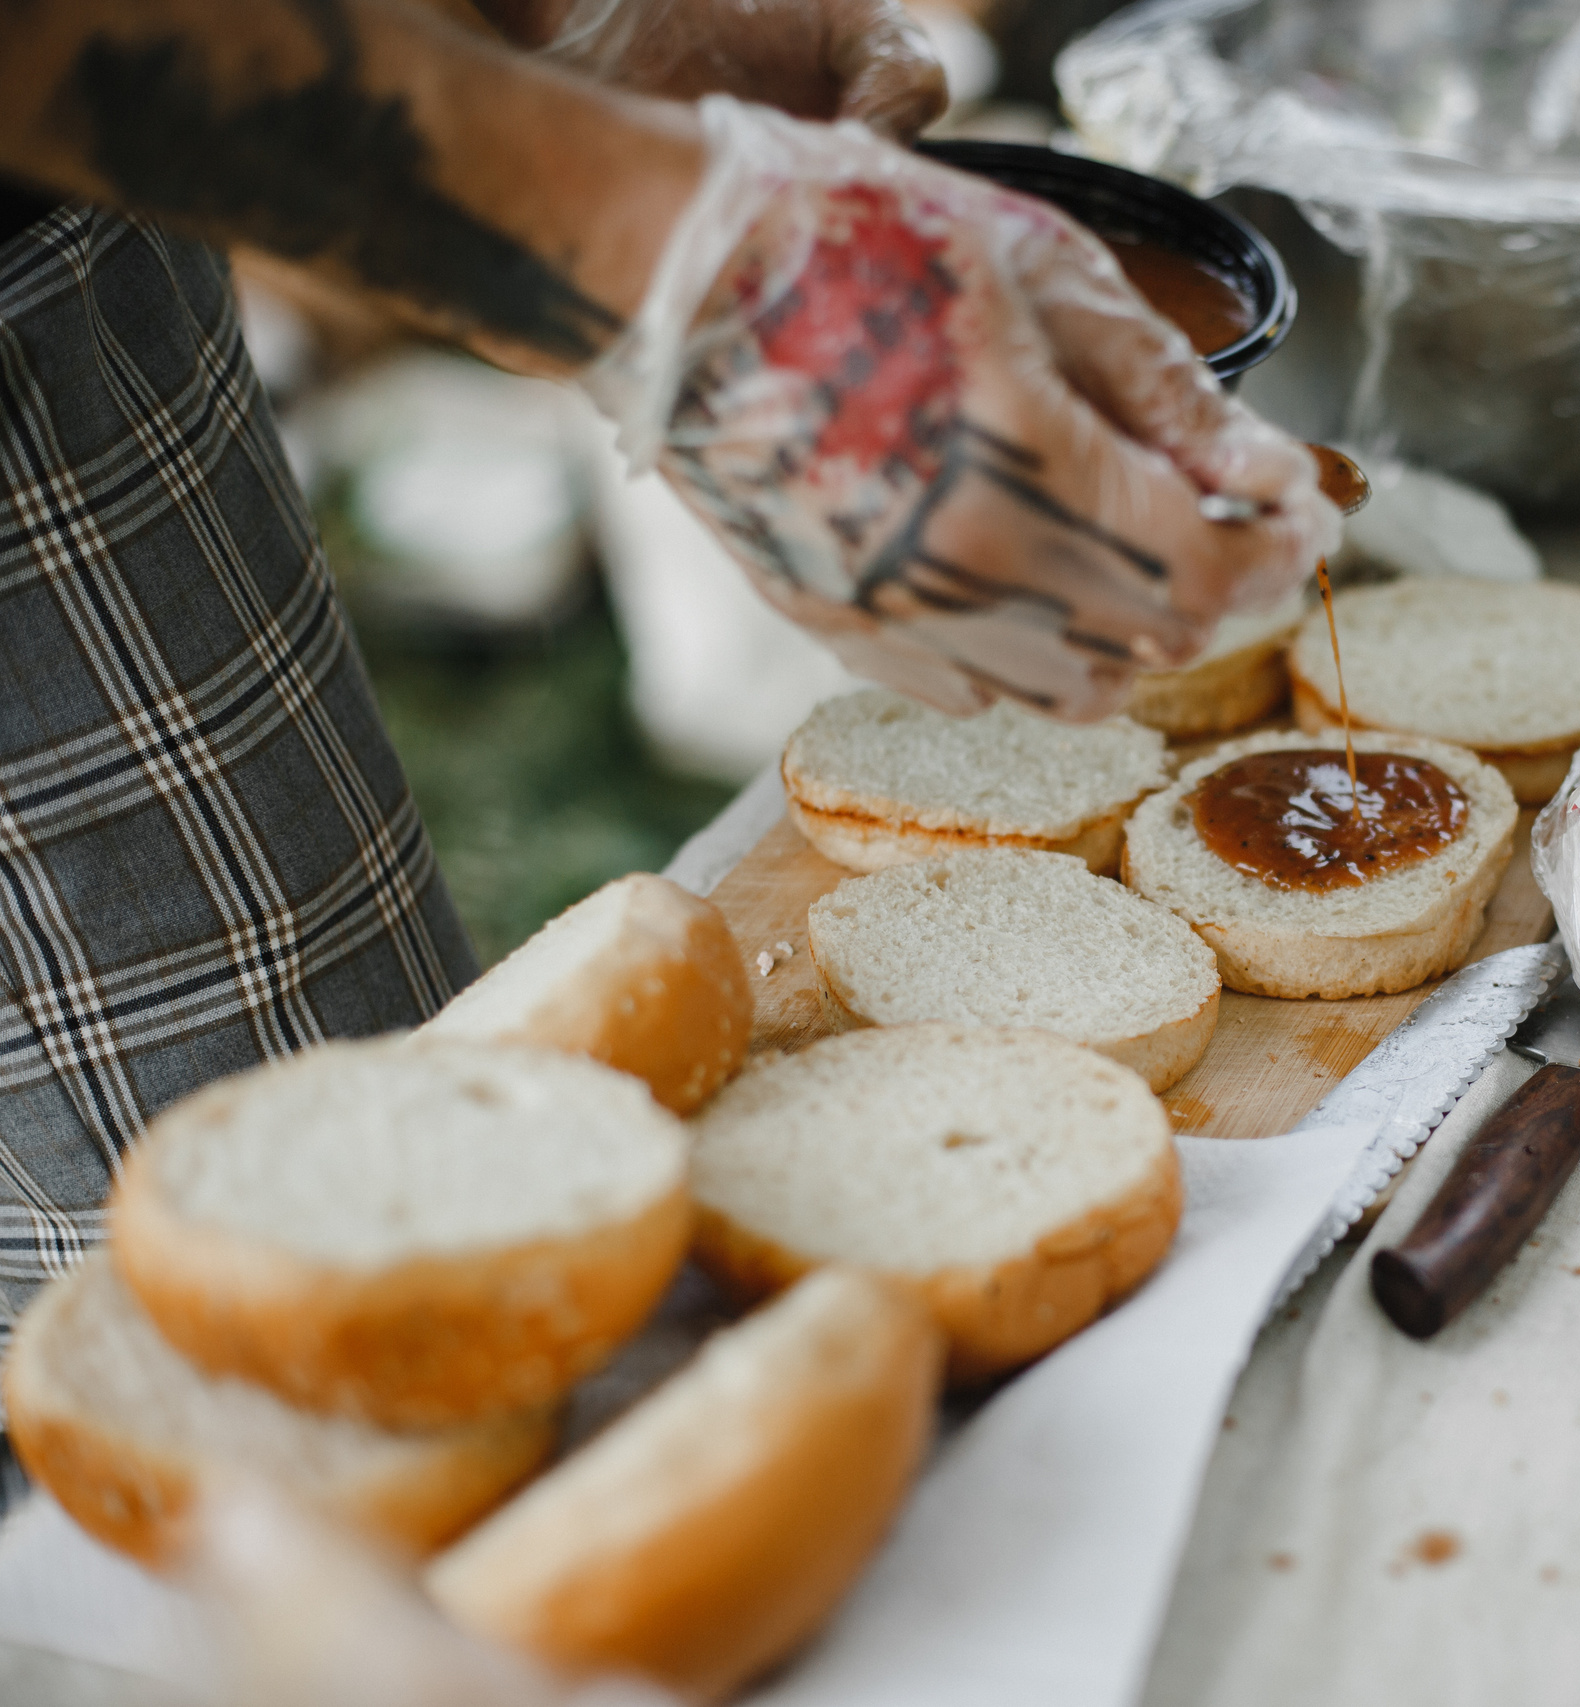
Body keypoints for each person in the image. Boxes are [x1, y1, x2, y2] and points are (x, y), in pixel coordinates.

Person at [0, 0, 1329, 1495]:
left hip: (101, 201)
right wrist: (656, 236)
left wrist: (545, 30)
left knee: (440, 1224)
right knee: (279, 1334)